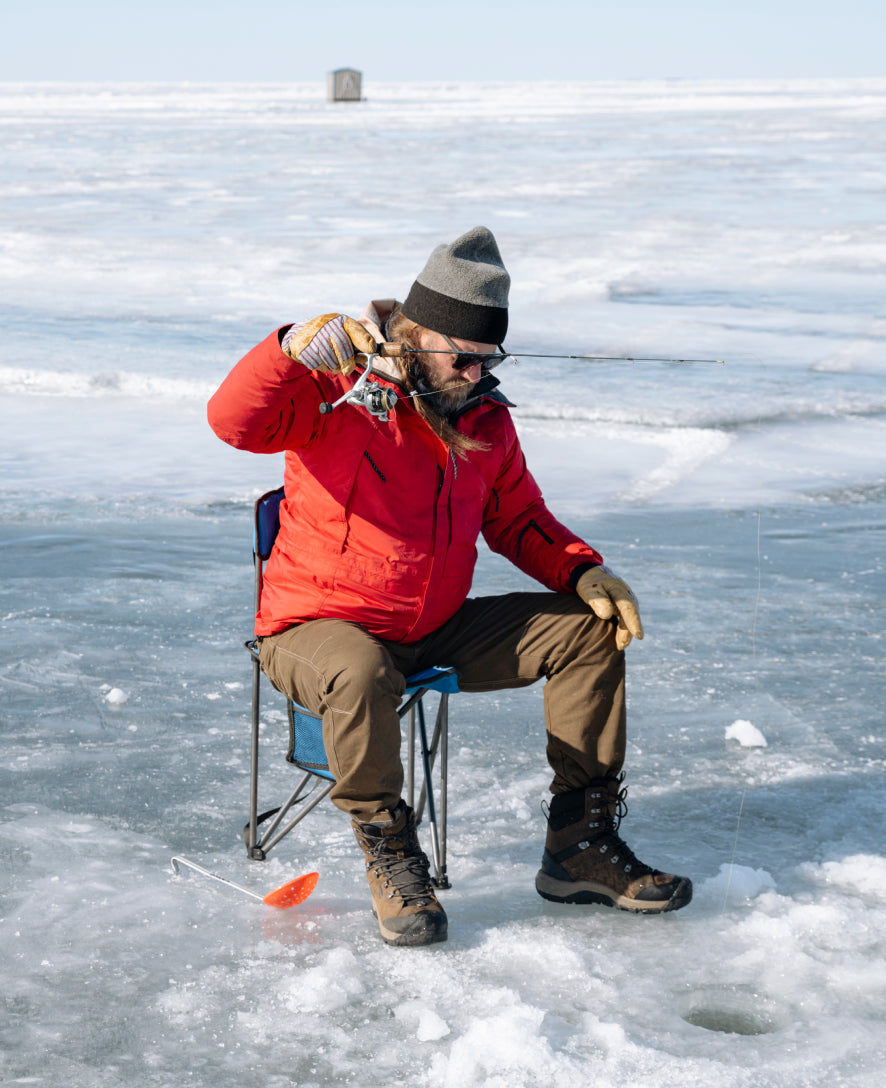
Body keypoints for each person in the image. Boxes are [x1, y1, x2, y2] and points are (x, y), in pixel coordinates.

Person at [208, 226, 692, 946]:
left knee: (589, 630)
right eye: (463, 356)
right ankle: (391, 855)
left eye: (490, 359)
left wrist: (584, 569)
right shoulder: (335, 388)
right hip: (314, 630)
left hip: (432, 626)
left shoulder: (484, 418)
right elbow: (234, 423)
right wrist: (285, 350)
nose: (476, 372)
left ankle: (578, 848)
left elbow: (517, 518)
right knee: (360, 666)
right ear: (414, 334)